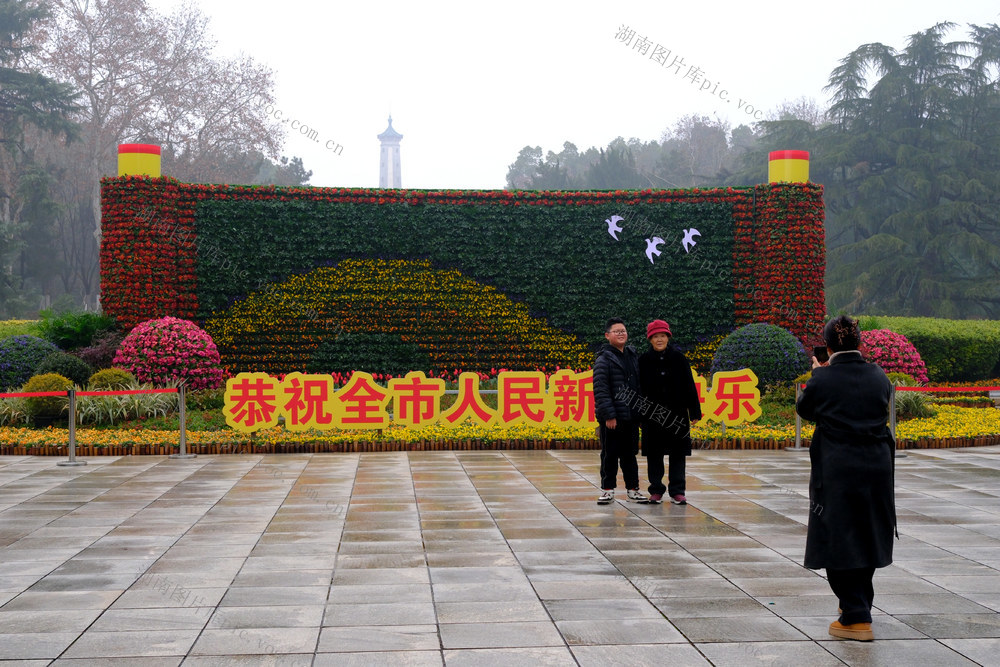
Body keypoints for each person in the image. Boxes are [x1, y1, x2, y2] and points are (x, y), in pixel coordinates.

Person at [796, 315, 896, 642]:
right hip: (877, 468)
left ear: (827, 347)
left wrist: (817, 374)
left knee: (837, 535)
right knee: (866, 532)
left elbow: (805, 409)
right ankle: (857, 605)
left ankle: (856, 616)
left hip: (838, 469)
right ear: (860, 343)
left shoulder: (823, 379)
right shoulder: (879, 375)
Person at [638, 319, 702, 504]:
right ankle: (656, 489)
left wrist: (694, 411)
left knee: (678, 454)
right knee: (654, 454)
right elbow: (637, 390)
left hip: (677, 414)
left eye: (663, 336)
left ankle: (677, 491)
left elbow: (690, 386)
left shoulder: (679, 359)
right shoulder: (643, 360)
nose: (659, 339)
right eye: (656, 336)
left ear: (668, 337)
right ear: (650, 339)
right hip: (652, 415)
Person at [592, 317, 647, 505]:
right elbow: (601, 389)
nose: (621, 333)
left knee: (629, 454)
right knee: (609, 454)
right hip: (613, 418)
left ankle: (633, 490)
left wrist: (640, 412)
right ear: (607, 335)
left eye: (623, 330)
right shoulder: (603, 359)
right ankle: (608, 490)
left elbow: (638, 386)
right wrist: (609, 415)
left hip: (630, 416)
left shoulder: (632, 355)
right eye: (616, 331)